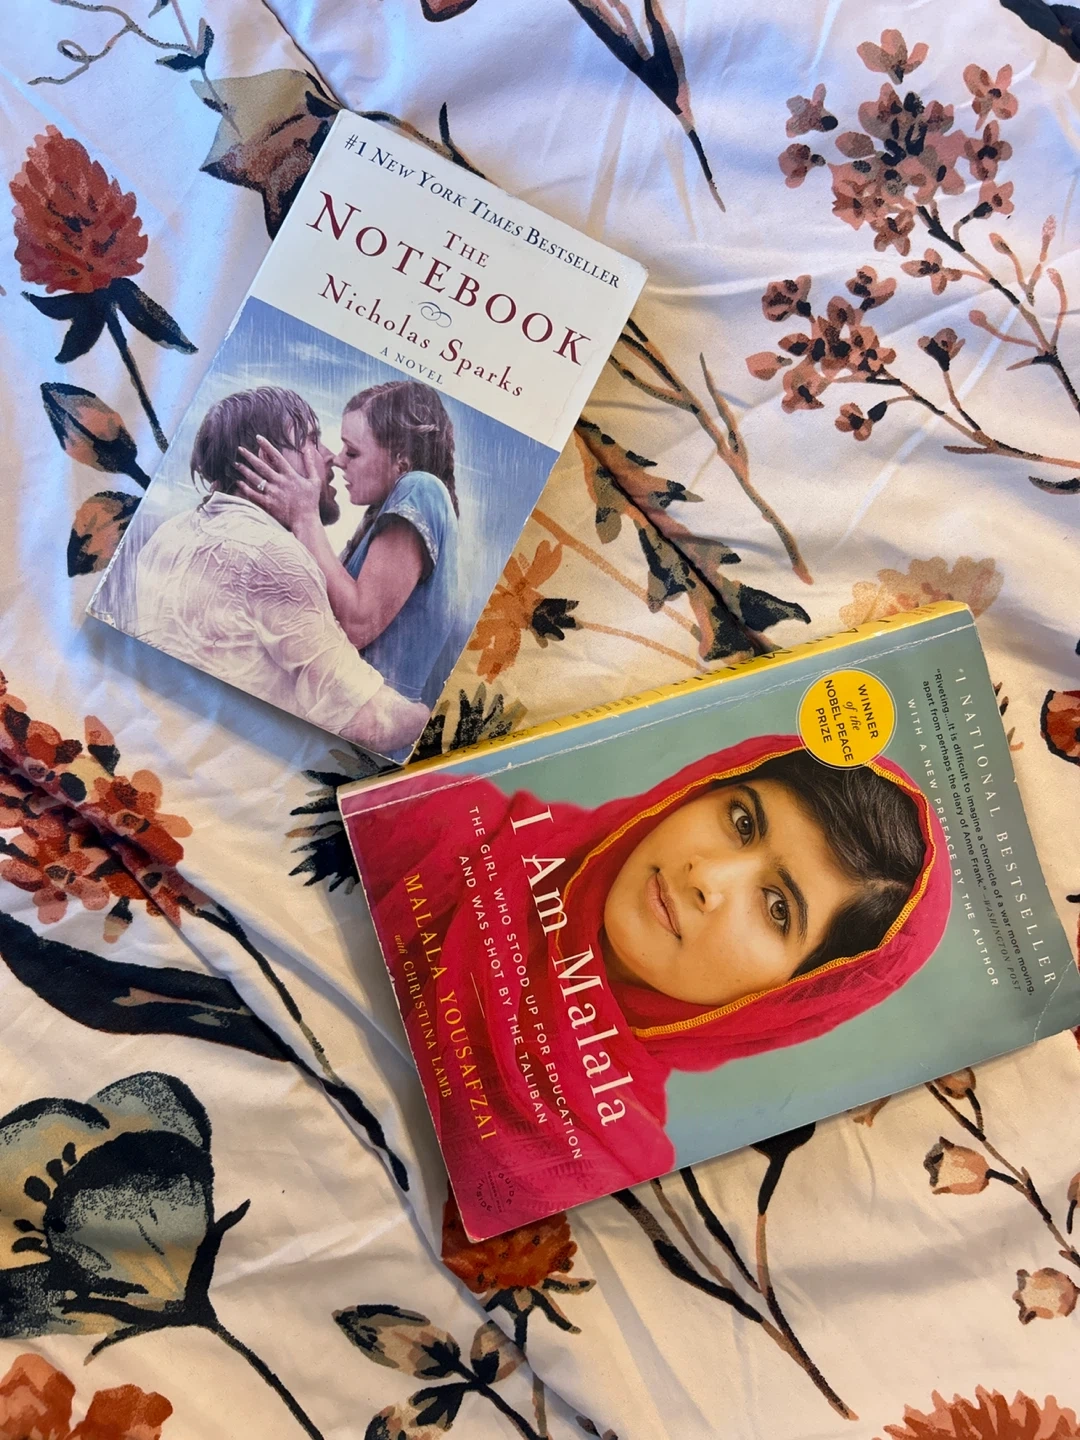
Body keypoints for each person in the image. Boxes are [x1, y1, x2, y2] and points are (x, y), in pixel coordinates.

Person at [345, 734, 951, 1219]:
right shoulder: (431, 821)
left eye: (776, 908)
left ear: (786, 999)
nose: (707, 877)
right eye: (742, 821)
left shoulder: (596, 1164)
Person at [133, 386, 429, 755]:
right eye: (312, 440)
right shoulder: (273, 555)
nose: (330, 457)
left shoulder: (169, 534)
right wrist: (428, 716)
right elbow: (368, 723)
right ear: (267, 459)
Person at [235, 379, 460, 708]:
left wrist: (304, 517)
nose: (339, 460)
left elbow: (358, 624)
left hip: (376, 717)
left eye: (352, 452)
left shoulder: (420, 489)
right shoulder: (381, 514)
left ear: (402, 459)